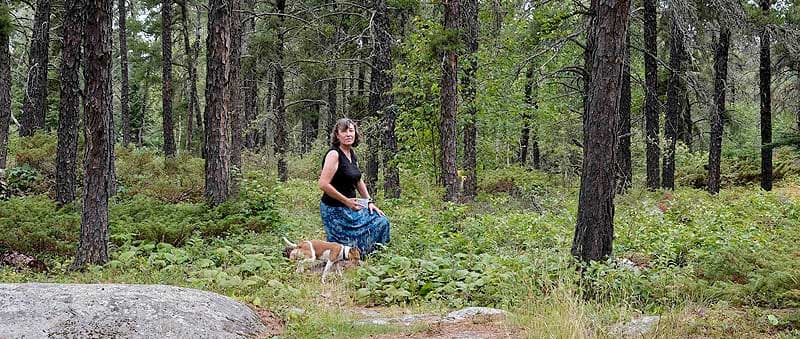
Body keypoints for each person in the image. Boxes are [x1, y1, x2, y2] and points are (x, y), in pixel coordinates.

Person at [318, 118, 390, 257]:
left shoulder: (351, 153)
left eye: (351, 130)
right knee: (341, 248)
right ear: (337, 135)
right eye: (344, 131)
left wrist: (369, 201)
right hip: (335, 210)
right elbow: (323, 184)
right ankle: (351, 256)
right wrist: (346, 201)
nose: (348, 134)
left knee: (381, 220)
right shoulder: (334, 154)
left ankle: (372, 255)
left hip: (350, 206)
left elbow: (358, 179)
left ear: (355, 133)